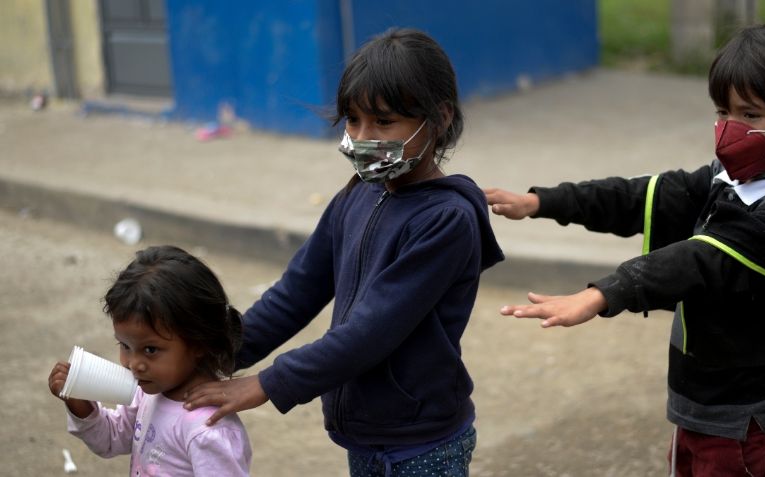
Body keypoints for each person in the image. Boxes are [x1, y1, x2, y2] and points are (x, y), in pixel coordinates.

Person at [485, 21, 765, 476]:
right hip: (696, 416)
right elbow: (640, 195)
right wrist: (540, 202)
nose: (730, 129)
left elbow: (702, 259)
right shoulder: (725, 179)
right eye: (723, 112)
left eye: (750, 115)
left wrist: (603, 294)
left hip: (746, 432)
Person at [182, 28, 503, 476]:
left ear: (440, 118)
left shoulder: (446, 221)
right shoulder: (357, 195)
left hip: (421, 444)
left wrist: (269, 384)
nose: (364, 137)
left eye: (384, 122)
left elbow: (371, 331)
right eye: (353, 121)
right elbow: (297, 291)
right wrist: (215, 356)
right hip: (365, 435)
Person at [47, 245, 251, 476]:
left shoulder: (209, 429)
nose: (134, 364)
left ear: (199, 343)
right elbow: (112, 439)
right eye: (125, 346)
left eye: (150, 349)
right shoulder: (148, 391)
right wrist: (79, 403)